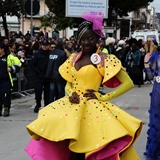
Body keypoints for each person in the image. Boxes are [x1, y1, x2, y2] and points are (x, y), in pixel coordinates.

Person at [25, 11, 142, 160]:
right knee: (66, 145)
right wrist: (70, 93)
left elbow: (128, 83)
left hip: (94, 110)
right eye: (83, 39)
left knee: (90, 147)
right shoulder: (73, 58)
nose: (86, 42)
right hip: (72, 106)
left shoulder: (104, 59)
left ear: (98, 39)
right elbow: (68, 83)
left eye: (90, 38)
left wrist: (104, 96)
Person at [144, 46, 160, 160]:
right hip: (158, 92)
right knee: (157, 123)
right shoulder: (156, 57)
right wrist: (146, 62)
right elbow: (150, 75)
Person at [0, 42, 21, 117]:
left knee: (5, 95)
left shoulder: (9, 57)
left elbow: (18, 64)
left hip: (6, 80)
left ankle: (6, 109)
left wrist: (11, 68)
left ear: (2, 49)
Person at [30, 39, 50, 113]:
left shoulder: (50, 54)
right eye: (43, 45)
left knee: (47, 93)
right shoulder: (37, 54)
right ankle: (38, 104)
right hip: (39, 76)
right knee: (38, 91)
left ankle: (46, 106)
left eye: (46, 45)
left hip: (48, 76)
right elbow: (32, 64)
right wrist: (37, 72)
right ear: (41, 46)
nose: (45, 47)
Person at [45, 38, 67, 102]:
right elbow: (63, 65)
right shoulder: (62, 53)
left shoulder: (51, 52)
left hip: (50, 74)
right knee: (60, 92)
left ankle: (51, 105)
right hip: (59, 75)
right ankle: (60, 105)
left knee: (51, 92)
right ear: (63, 45)